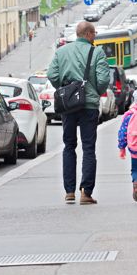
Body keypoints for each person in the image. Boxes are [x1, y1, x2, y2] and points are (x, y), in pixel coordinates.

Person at [48, 21, 111, 205]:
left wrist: (65, 88)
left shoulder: (61, 52)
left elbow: (52, 75)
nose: (95, 36)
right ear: (89, 34)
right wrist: (94, 92)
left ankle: (69, 191)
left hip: (68, 106)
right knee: (88, 147)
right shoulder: (96, 52)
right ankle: (86, 192)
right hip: (89, 105)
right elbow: (103, 79)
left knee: (69, 146)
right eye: (95, 33)